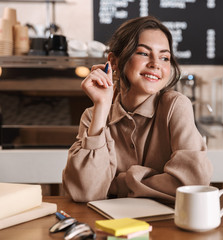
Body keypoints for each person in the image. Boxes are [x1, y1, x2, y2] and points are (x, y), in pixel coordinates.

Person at [62, 16, 213, 203]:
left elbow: (192, 182)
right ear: (114, 61)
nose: (156, 64)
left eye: (164, 57)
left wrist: (116, 183)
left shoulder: (175, 106)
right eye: (143, 53)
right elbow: (84, 191)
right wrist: (101, 105)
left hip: (165, 227)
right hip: (109, 225)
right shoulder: (92, 116)